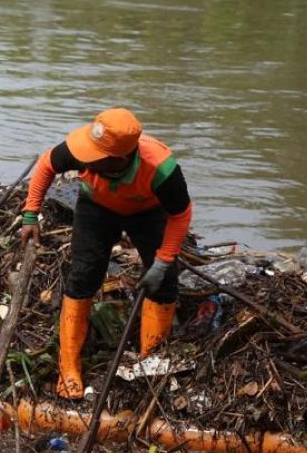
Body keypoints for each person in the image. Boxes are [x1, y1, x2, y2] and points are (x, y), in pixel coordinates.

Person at [21, 108, 193, 399]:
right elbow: (47, 164)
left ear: (119, 159)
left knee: (163, 285)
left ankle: (149, 360)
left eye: (95, 157)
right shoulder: (80, 151)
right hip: (97, 208)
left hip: (148, 213)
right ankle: (70, 367)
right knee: (84, 275)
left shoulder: (161, 169)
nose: (85, 160)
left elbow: (180, 214)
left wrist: (163, 261)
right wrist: (30, 214)